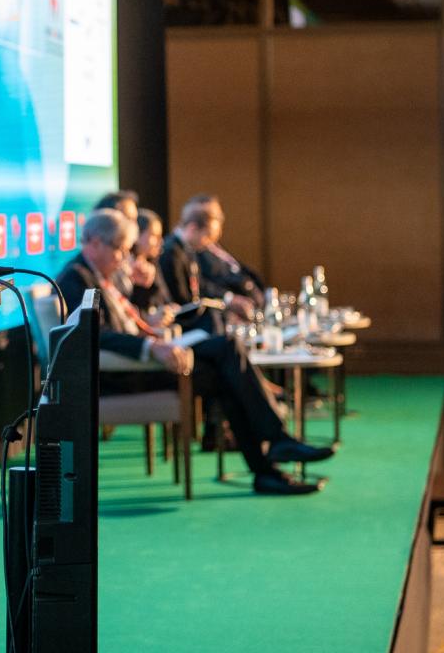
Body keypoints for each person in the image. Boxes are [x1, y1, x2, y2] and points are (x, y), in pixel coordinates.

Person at [58, 210, 331, 496]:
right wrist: (151, 346)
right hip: (123, 373)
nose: (124, 258)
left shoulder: (99, 274)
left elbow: (129, 319)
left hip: (144, 357)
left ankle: (272, 457)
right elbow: (94, 335)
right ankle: (272, 455)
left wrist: (145, 303)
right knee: (227, 370)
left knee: (228, 351)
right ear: (95, 243)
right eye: (120, 250)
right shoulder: (76, 279)